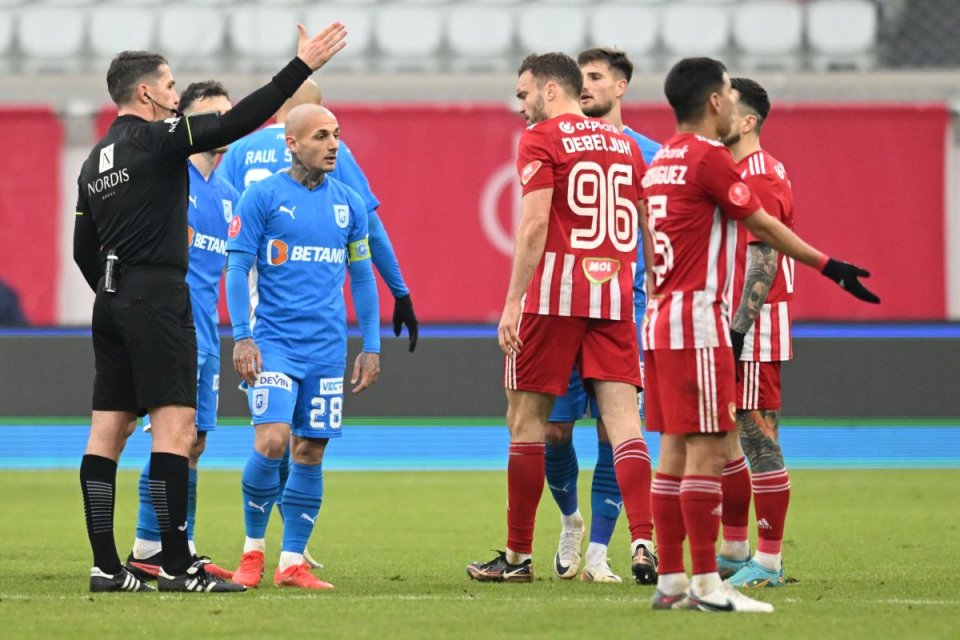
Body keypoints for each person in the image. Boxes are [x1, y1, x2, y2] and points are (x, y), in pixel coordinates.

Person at [72, 22, 347, 593]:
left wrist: (116, 294)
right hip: (157, 294)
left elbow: (81, 248)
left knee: (107, 433)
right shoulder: (158, 137)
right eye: (170, 85)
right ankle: (175, 565)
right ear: (146, 93)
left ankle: (106, 566)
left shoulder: (95, 159)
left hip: (112, 298)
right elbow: (235, 122)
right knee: (177, 429)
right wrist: (300, 69)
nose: (177, 95)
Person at [641, 57, 879, 613]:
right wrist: (828, 264)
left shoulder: (658, 164)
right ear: (715, 103)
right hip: (704, 320)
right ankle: (709, 583)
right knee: (714, 446)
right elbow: (765, 233)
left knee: (680, 447)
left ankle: (679, 580)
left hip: (660, 319)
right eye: (725, 88)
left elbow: (653, 258)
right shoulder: (711, 160)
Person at [467, 52, 653, 583]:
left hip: (554, 300)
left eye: (524, 94)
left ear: (551, 91)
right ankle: (643, 540)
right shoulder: (624, 143)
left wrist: (512, 301)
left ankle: (518, 557)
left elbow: (532, 226)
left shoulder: (543, 139)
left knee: (527, 424)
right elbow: (647, 222)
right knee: (625, 426)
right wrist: (656, 280)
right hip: (614, 299)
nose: (520, 105)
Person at [226, 103, 380, 590]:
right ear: (291, 143)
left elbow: (362, 278)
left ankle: (291, 562)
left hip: (326, 349)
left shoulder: (349, 204)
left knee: (310, 451)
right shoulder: (262, 197)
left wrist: (371, 344)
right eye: (320, 136)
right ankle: (252, 552)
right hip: (274, 342)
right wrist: (243, 336)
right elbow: (235, 270)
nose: (333, 144)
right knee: (271, 441)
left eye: (336, 134)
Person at [545, 47, 660, 585]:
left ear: (621, 88)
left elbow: (663, 236)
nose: (585, 86)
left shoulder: (651, 155)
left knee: (617, 434)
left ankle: (598, 553)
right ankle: (571, 521)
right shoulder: (558, 146)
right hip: (565, 308)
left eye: (595, 78)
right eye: (580, 78)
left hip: (624, 310)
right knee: (553, 433)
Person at [123, 80, 240, 583]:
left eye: (226, 114)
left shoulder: (230, 196)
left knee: (194, 443)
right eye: (209, 114)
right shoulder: (168, 178)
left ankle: (180, 543)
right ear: (188, 123)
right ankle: (149, 545)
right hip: (167, 326)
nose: (220, 123)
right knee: (169, 437)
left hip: (207, 333)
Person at [219, 79, 418, 352]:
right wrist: (400, 291)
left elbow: (221, 226)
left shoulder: (239, 150)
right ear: (318, 107)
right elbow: (371, 228)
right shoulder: (334, 152)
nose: (331, 142)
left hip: (258, 310)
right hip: (320, 326)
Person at [716, 78, 796, 588]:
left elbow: (762, 257)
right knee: (728, 435)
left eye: (725, 106)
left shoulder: (757, 175)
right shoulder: (743, 171)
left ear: (748, 122)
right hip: (742, 323)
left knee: (758, 437)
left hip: (755, 325)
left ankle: (767, 561)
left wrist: (739, 328)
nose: (715, 110)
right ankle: (736, 549)